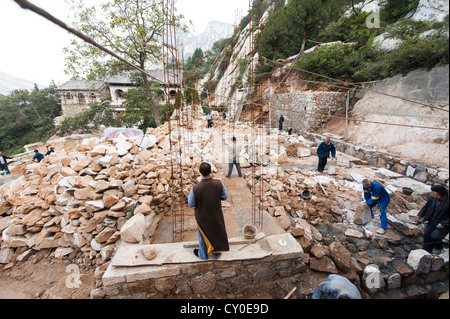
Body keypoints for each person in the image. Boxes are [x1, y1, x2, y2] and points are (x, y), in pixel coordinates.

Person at [188, 162, 229, 260]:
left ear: (199, 172)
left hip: (202, 216)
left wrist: (189, 196)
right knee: (216, 232)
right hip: (216, 214)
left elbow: (191, 204)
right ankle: (216, 254)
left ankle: (203, 255)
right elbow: (224, 196)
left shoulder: (195, 188)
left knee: (203, 234)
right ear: (210, 171)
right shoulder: (218, 183)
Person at [417, 185, 449, 254]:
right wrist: (420, 214)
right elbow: (427, 206)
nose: (435, 196)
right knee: (427, 234)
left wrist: (444, 224)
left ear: (442, 194)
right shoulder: (432, 197)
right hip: (433, 220)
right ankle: (427, 250)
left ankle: (439, 248)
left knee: (435, 236)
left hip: (444, 223)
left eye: (436, 195)